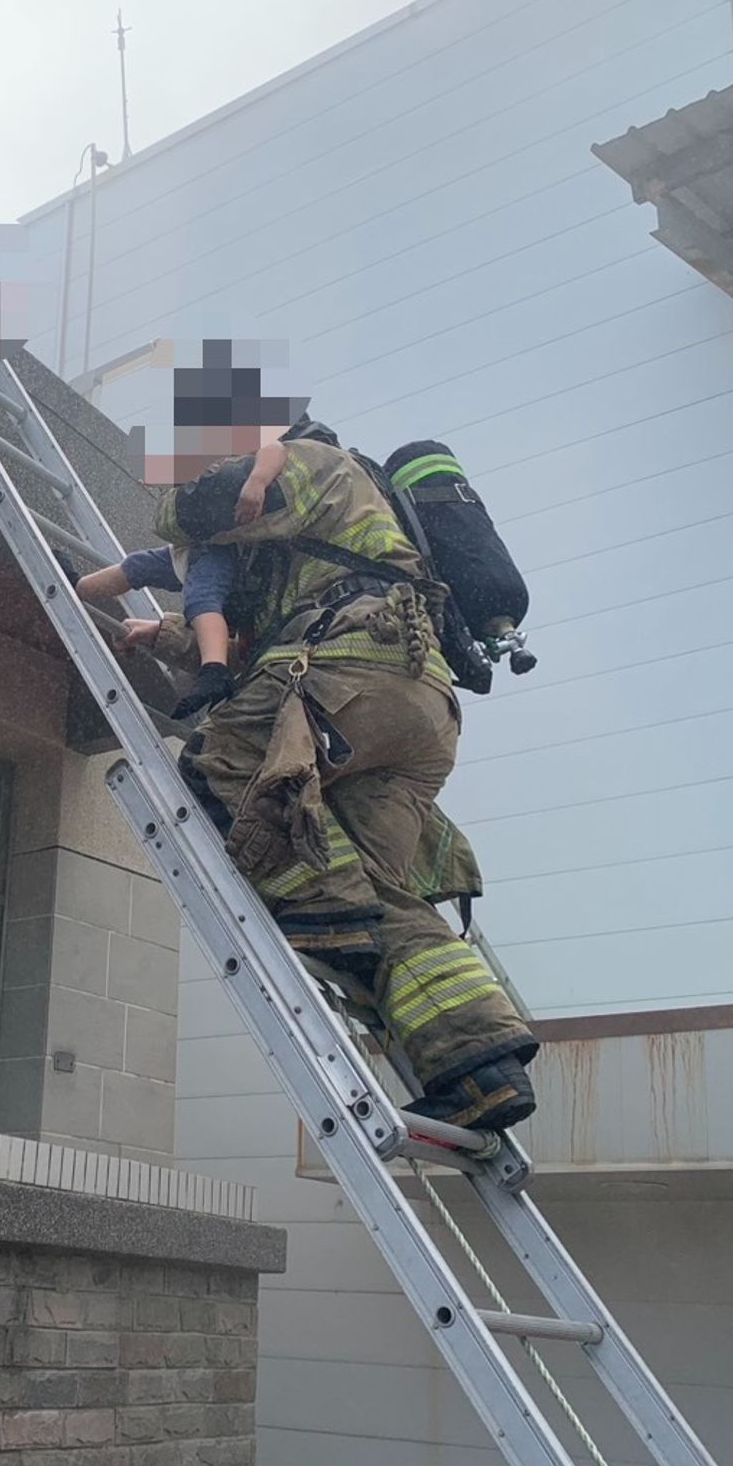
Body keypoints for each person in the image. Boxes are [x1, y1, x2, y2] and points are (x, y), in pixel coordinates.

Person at [147, 428, 539, 1132]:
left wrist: (178, 501)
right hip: (419, 706)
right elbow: (252, 644)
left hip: (352, 669)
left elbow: (205, 507)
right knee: (388, 896)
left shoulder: (313, 464)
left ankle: (329, 922)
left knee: (222, 768)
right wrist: (169, 637)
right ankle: (483, 1072)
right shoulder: (333, 537)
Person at [72, 438, 294, 719]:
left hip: (226, 547)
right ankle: (79, 586)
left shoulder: (243, 452)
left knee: (202, 596)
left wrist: (257, 482)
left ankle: (214, 668)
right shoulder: (203, 454)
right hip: (193, 545)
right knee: (140, 565)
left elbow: (274, 449)